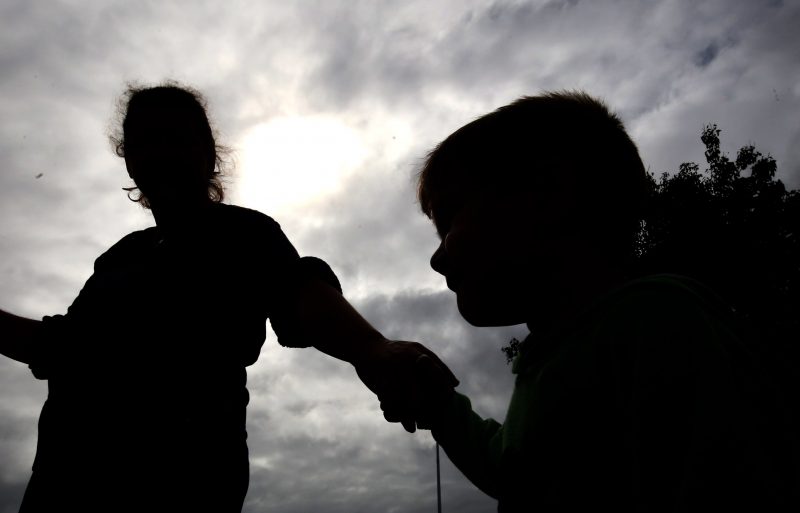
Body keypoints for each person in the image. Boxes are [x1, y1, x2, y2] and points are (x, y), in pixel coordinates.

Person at [0, 83, 456, 512]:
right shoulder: (119, 258)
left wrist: (372, 349)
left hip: (180, 482)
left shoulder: (243, 233)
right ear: (128, 161)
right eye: (142, 142)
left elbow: (297, 293)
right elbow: (61, 348)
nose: (158, 153)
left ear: (208, 153)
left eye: (173, 138)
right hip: (63, 483)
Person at [380, 91, 799, 511]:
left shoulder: (656, 323)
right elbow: (514, 470)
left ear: (546, 195)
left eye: (449, 220)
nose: (436, 259)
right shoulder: (559, 356)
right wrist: (439, 404)